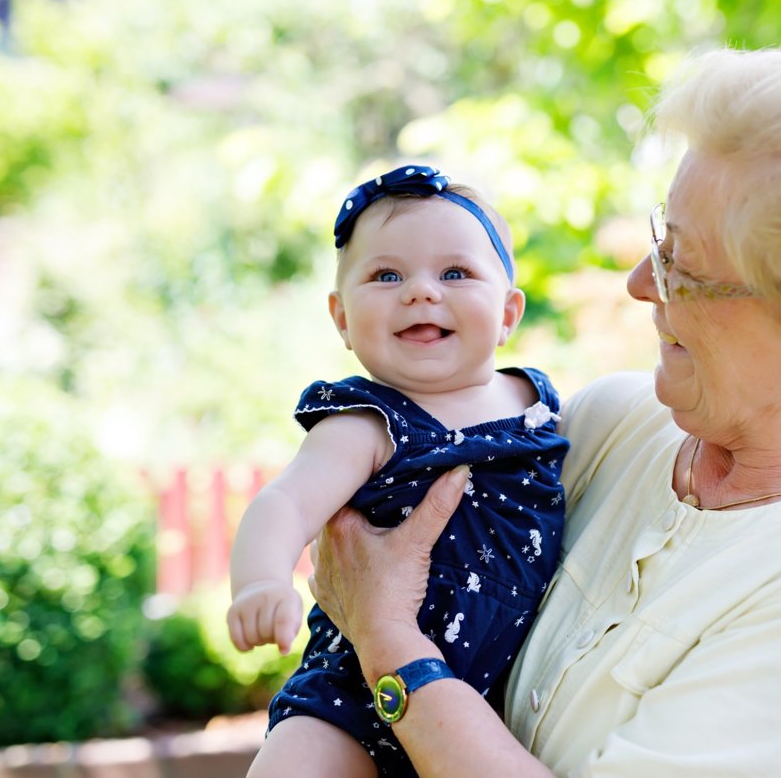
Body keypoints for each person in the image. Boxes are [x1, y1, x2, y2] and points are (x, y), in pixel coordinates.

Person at [306, 44, 781, 777]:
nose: (638, 283)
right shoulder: (606, 424)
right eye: (658, 237)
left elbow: (376, 602)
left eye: (681, 267)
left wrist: (387, 642)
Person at [227, 164, 569, 778]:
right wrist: (260, 581)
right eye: (387, 275)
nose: (421, 291)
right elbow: (285, 505)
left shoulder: (537, 403)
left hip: (487, 707)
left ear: (509, 312)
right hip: (351, 702)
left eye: (455, 273)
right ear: (341, 318)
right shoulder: (367, 424)